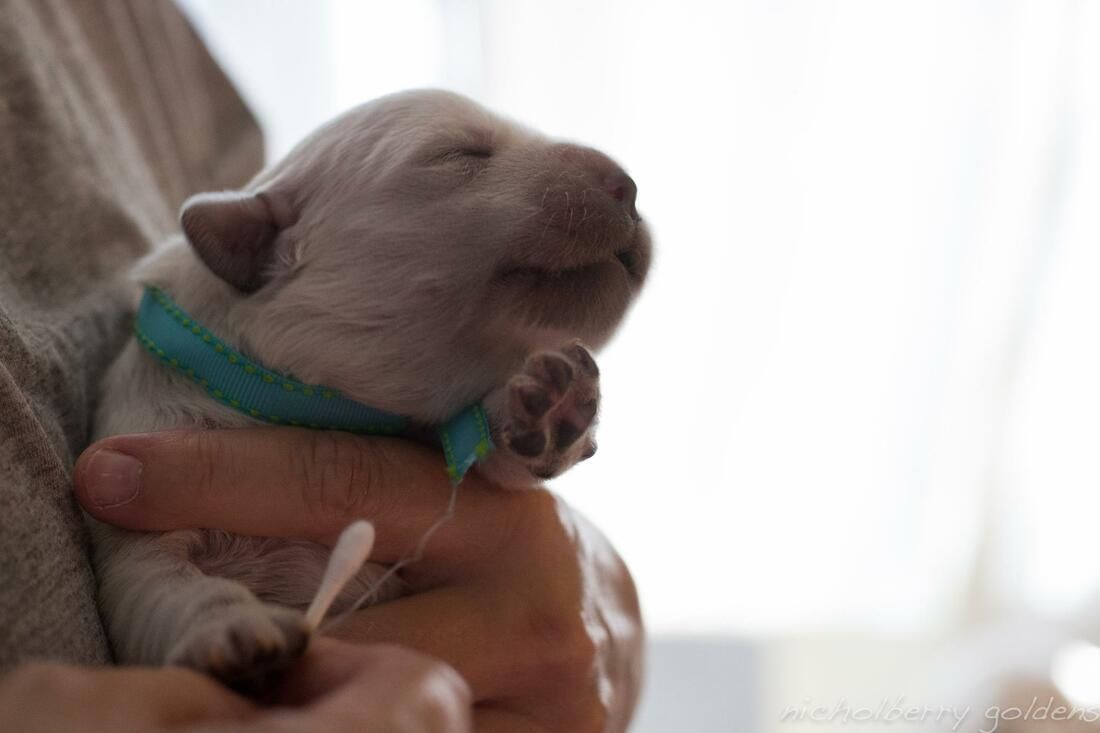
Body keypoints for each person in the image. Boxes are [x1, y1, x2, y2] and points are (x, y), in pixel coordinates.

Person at [0, 1, 643, 731]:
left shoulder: (144, 45)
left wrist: (599, 617)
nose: (619, 186)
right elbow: (146, 579)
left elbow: (514, 563)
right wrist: (205, 619)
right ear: (258, 244)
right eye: (464, 157)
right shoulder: (156, 410)